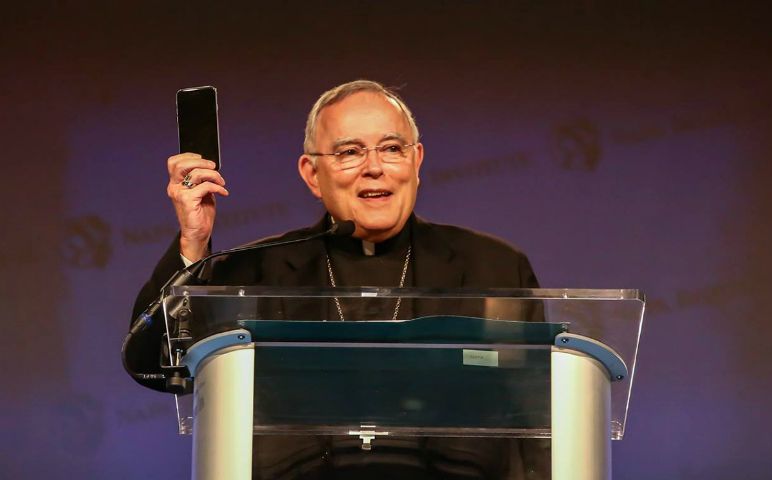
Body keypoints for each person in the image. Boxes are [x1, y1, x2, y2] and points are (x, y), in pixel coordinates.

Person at [129, 80, 548, 479]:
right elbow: (158, 368)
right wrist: (194, 241)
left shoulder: (494, 269)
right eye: (350, 151)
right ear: (312, 174)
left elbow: (539, 422)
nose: (374, 168)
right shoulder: (254, 272)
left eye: (391, 148)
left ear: (416, 161)